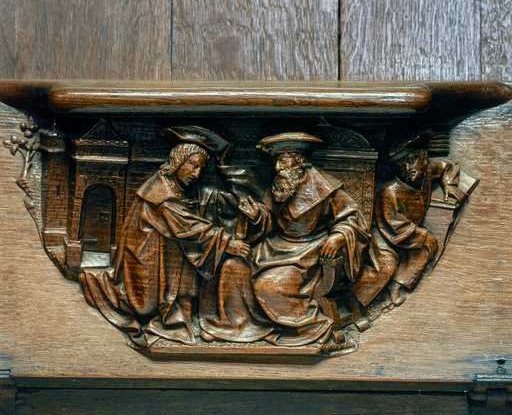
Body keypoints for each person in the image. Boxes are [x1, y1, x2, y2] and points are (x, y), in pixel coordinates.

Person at [80, 127, 250, 346]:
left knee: (185, 253)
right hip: (146, 258)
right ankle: (103, 287)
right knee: (146, 301)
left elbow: (192, 212)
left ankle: (183, 315)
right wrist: (227, 243)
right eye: (193, 165)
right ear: (178, 161)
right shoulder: (160, 191)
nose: (197, 173)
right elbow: (185, 225)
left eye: (201, 168)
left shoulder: (177, 186)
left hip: (164, 252)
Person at [210, 132, 370, 351]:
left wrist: (338, 236)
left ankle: (316, 328)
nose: (278, 168)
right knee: (232, 266)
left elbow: (353, 220)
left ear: (300, 162)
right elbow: (271, 219)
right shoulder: (282, 185)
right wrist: (256, 217)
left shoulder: (325, 188)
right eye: (277, 161)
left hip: (308, 252)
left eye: (283, 161)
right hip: (274, 247)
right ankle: (242, 327)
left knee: (269, 285)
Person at [351, 136, 463, 308]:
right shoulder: (390, 191)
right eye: (402, 164)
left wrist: (449, 184)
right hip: (383, 235)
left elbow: (447, 166)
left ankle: (396, 286)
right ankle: (355, 302)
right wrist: (421, 234)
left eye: (412, 160)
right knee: (386, 266)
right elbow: (393, 223)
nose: (408, 168)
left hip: (408, 233)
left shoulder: (427, 172)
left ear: (424, 158)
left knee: (427, 246)